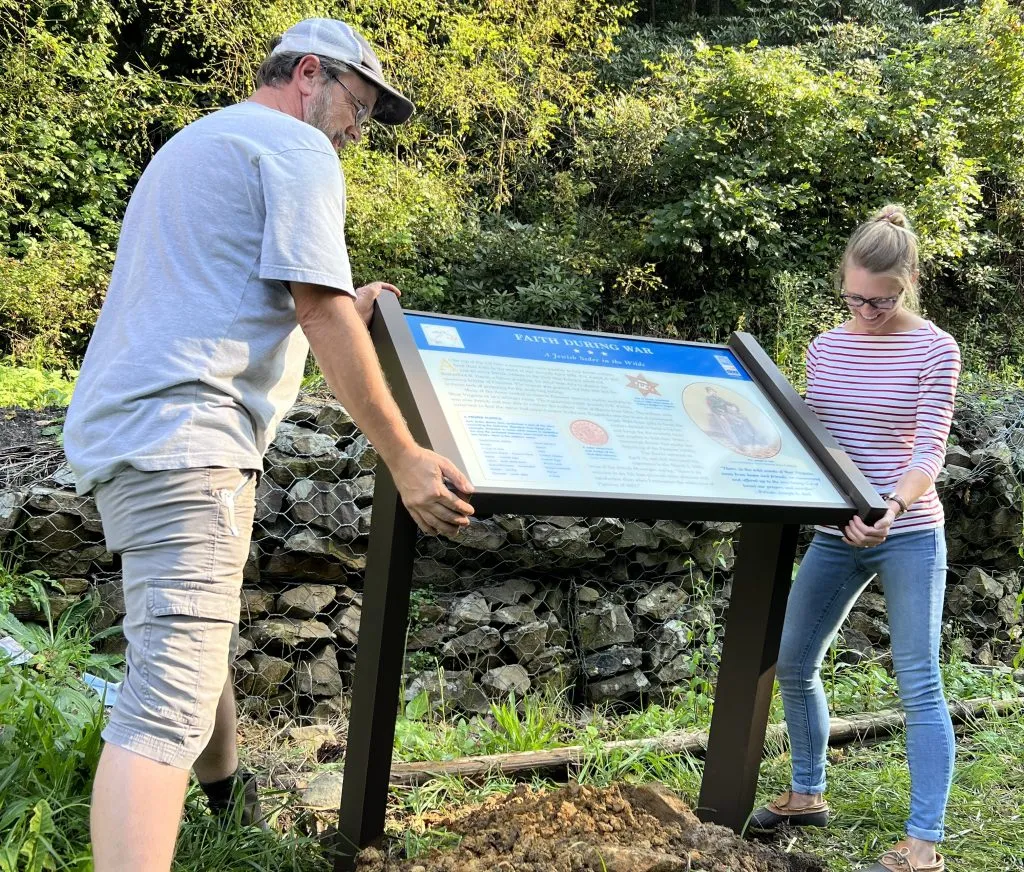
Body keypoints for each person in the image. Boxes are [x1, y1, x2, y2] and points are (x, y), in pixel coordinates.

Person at [62, 18, 475, 872]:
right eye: (357, 106)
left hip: (129, 435)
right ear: (310, 75)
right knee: (167, 701)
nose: (356, 130)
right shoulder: (295, 148)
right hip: (189, 442)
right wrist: (402, 453)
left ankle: (225, 800)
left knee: (191, 638)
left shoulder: (198, 143)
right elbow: (317, 308)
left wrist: (338, 309)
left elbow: (223, 297)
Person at [749, 206, 961, 872]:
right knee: (794, 659)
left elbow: (929, 448)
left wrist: (891, 508)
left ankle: (923, 843)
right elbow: (819, 440)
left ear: (910, 281)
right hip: (837, 529)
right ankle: (807, 792)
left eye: (882, 299)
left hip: (908, 530)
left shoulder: (936, 348)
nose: (867, 310)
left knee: (919, 679)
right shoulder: (825, 348)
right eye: (854, 298)